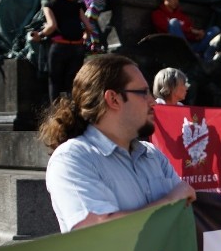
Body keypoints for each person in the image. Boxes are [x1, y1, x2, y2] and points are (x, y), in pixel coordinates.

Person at [39, 54, 196, 233]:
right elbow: (98, 232)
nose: (152, 101)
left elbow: (185, 211)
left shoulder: (153, 155)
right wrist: (170, 201)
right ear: (113, 99)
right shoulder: (72, 158)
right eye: (143, 93)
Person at [30, 0, 91, 103]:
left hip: (60, 46)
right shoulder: (76, 6)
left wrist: (39, 35)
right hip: (77, 47)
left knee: (55, 82)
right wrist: (86, 37)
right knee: (73, 82)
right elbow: (89, 26)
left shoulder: (49, 5)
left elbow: (52, 26)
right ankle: (74, 112)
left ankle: (56, 115)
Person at [151, 0, 221, 61]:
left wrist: (197, 35)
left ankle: (206, 58)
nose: (176, 1)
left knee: (215, 30)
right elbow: (165, 28)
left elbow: (189, 33)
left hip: (191, 47)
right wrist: (191, 31)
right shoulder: (157, 14)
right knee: (174, 22)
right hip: (174, 49)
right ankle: (194, 56)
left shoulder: (181, 15)